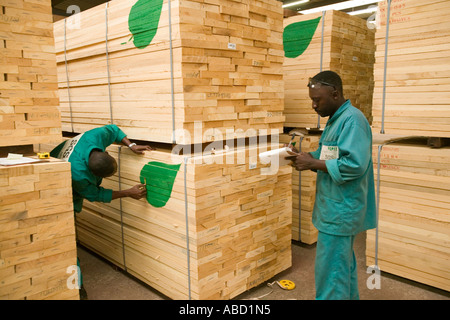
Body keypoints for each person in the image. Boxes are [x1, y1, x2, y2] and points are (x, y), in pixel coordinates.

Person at [286, 71, 376, 300]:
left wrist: (314, 162)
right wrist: (307, 158)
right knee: (342, 267)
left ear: (335, 94)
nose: (314, 105)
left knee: (330, 273)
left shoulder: (352, 120)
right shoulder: (336, 119)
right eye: (311, 100)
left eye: (318, 100)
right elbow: (331, 155)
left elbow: (354, 164)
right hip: (333, 207)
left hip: (341, 210)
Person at [50, 124, 153, 299]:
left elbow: (113, 129)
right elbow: (95, 194)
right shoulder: (79, 176)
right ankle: (78, 287)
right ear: (92, 174)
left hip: (70, 168)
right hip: (54, 187)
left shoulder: (95, 137)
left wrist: (131, 145)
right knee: (67, 241)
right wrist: (128, 192)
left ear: (106, 152)